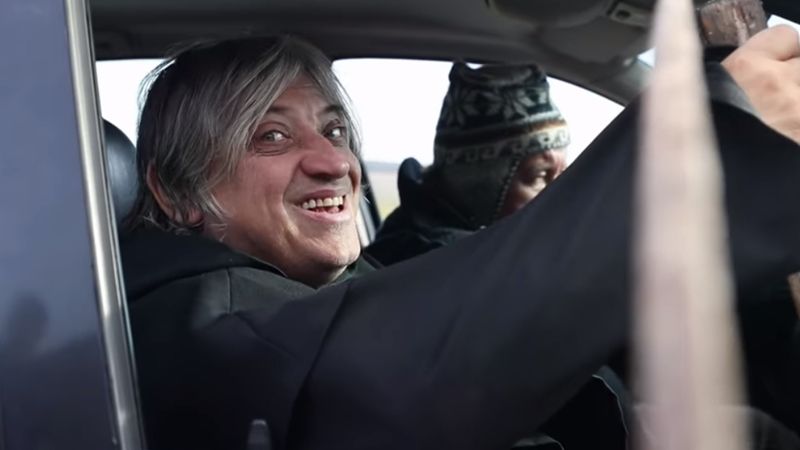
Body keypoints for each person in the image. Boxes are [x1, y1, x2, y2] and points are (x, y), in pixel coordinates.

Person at [121, 27, 800, 450]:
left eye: (334, 130)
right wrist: (708, 146)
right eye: (271, 136)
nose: (334, 161)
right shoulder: (186, 322)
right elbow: (379, 381)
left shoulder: (311, 289)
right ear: (175, 190)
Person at [368, 63, 570, 266]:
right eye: (539, 175)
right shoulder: (445, 262)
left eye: (562, 174)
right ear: (481, 184)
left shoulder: (413, 226)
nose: (558, 194)